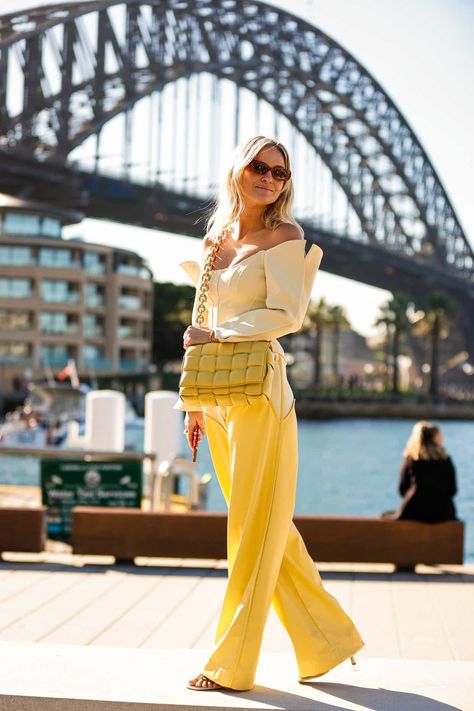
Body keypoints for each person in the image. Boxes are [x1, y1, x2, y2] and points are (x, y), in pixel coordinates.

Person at [175, 135, 365, 692]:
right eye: (259, 167)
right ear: (238, 168)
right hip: (218, 401)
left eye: (279, 173)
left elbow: (287, 314)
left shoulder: (287, 237)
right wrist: (193, 403)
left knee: (252, 532)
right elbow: (196, 323)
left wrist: (220, 333)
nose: (268, 178)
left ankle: (230, 664)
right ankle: (328, 639)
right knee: (270, 530)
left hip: (261, 395)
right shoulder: (216, 240)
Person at [381, 421, 458, 522]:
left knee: (385, 515)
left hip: (414, 511)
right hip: (444, 513)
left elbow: (402, 489)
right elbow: (452, 490)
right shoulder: (446, 459)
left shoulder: (411, 460)